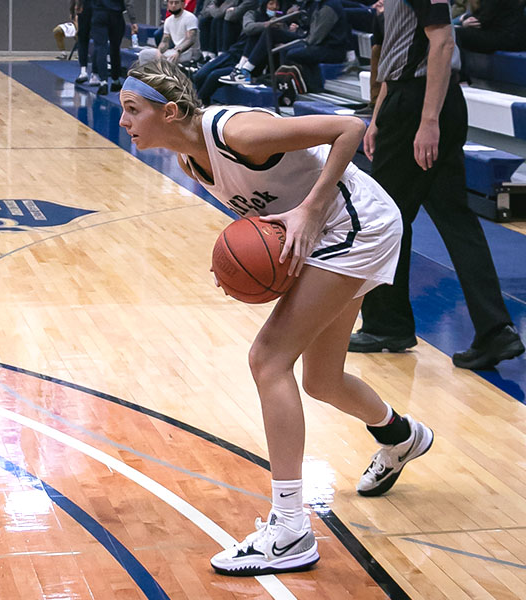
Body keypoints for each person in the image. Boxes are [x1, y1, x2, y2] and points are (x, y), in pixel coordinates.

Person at [118, 59, 434, 575]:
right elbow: (263, 225)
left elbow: (348, 128)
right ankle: (400, 434)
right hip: (328, 237)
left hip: (357, 226)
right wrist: (242, 267)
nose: (125, 120)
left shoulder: (237, 132)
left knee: (268, 360)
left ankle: (290, 530)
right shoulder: (189, 161)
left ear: (170, 111)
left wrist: (311, 209)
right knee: (321, 379)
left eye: (133, 110)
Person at [350, 0, 525, 369]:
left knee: (383, 216)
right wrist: (379, 115)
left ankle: (387, 325)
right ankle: (495, 329)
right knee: (455, 220)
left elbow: (443, 42)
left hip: (421, 104)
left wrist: (428, 121)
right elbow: (399, 54)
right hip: (410, 98)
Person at [92, 0, 139, 94]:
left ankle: (103, 82)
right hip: (116, 14)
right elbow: (128, 2)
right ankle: (115, 81)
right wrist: (133, 20)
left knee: (101, 47)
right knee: (115, 48)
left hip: (99, 13)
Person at [139, 0, 202, 66]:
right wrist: (159, 51)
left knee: (169, 60)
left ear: (182, 4)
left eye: (176, 3)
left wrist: (178, 51)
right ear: (168, 5)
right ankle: (147, 75)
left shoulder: (190, 17)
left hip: (190, 53)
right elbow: (165, 41)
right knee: (144, 55)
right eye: (171, 3)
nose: (173, 5)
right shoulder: (168, 20)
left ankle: (163, 75)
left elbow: (190, 40)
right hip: (175, 50)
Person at [455, 0, 526, 53]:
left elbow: (481, 21)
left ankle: (458, 72)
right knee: (456, 31)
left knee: (456, 33)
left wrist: (464, 21)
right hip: (507, 36)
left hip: (506, 39)